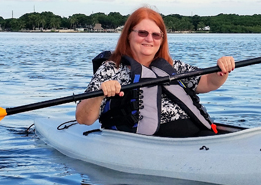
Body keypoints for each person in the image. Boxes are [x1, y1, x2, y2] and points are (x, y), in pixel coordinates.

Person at [75, 7, 236, 138]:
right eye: (142, 33)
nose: (149, 39)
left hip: (197, 135)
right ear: (128, 35)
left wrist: (222, 70)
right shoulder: (111, 69)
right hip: (154, 144)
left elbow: (209, 82)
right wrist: (100, 94)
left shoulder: (173, 67)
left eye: (156, 35)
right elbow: (83, 118)